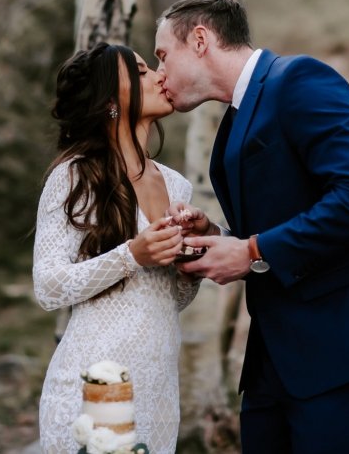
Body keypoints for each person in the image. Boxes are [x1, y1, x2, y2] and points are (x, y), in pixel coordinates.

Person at [153, 0, 349, 454]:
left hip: (340, 344)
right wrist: (218, 238)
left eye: (163, 56)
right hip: (277, 353)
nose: (159, 73)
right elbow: (281, 216)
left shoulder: (301, 80)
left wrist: (252, 251)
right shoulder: (237, 114)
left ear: (200, 40)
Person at [32, 42, 211, 453]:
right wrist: (132, 255)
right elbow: (49, 286)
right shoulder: (75, 176)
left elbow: (171, 299)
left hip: (158, 392)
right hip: (93, 387)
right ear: (111, 101)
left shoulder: (177, 185)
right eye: (142, 71)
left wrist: (190, 261)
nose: (159, 76)